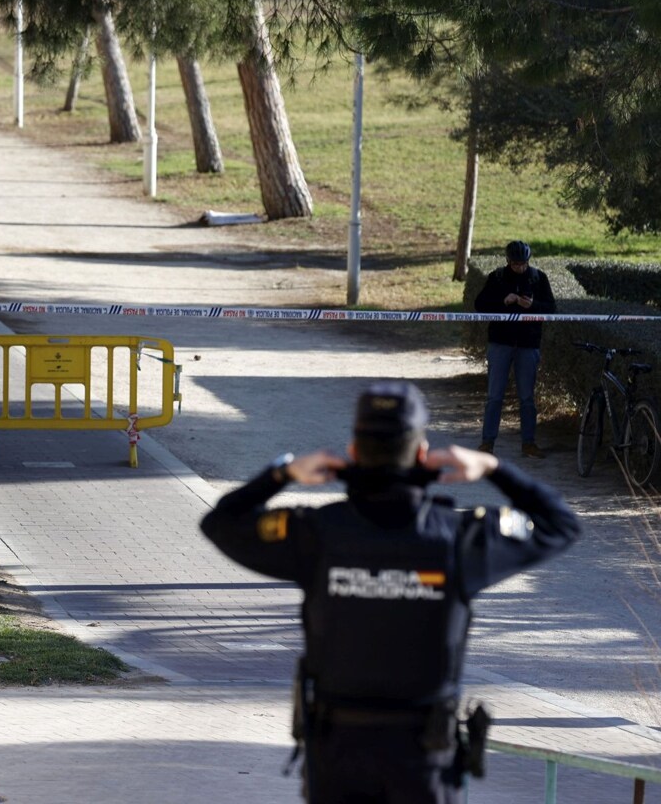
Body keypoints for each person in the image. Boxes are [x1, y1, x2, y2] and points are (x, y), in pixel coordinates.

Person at [199, 381, 581, 804]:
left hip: (337, 755)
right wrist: (493, 468)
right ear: (421, 453)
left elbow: (219, 523)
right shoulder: (461, 538)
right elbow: (561, 524)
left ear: (354, 451)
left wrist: (283, 472)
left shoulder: (316, 533)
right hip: (423, 758)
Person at [474, 240, 556, 458]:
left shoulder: (538, 278)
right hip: (500, 343)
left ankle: (529, 443)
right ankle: (487, 442)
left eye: (523, 263)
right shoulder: (497, 278)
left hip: (528, 345)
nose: (520, 267)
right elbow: (480, 305)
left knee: (527, 397)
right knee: (494, 396)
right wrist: (503, 301)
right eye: (516, 264)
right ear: (507, 260)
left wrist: (533, 306)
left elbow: (552, 308)